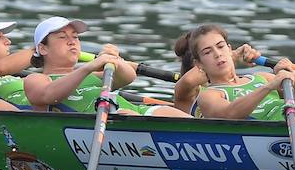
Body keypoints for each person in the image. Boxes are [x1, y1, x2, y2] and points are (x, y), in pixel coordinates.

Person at [182, 23, 295, 122]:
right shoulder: (209, 95)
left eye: (220, 47)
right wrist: (269, 87)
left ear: (229, 49)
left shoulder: (261, 77)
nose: (217, 54)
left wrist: (288, 72)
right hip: (279, 131)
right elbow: (229, 115)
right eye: (207, 52)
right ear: (199, 64)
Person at [23, 16, 190, 116]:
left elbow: (128, 77)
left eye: (75, 37)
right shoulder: (36, 79)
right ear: (43, 48)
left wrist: (115, 60)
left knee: (173, 114)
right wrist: (89, 67)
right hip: (111, 124)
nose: (72, 41)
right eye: (62, 37)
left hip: (137, 113)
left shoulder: (93, 77)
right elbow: (47, 96)